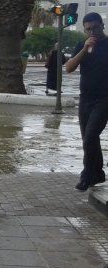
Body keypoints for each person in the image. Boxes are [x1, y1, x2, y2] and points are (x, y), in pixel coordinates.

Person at [65, 12, 108, 191]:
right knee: (88, 139)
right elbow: (69, 68)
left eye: (95, 28)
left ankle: (87, 175)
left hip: (104, 99)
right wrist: (84, 49)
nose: (92, 33)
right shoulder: (82, 45)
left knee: (90, 136)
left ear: (102, 26)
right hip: (85, 99)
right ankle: (97, 173)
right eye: (88, 29)